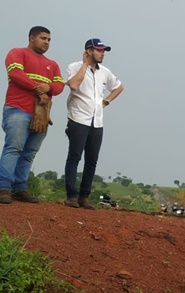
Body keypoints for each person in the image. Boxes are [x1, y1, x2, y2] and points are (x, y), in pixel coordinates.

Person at [0, 26, 65, 204]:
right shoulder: (17, 53)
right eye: (43, 38)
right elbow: (15, 73)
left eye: (49, 39)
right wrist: (38, 89)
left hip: (41, 114)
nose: (46, 42)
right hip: (18, 108)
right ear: (31, 38)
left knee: (29, 152)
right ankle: (4, 188)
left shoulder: (53, 64)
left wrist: (48, 88)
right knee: (14, 148)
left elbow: (59, 86)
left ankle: (20, 188)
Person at [63, 38, 124, 209]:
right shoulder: (74, 67)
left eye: (104, 51)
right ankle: (71, 196)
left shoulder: (105, 72)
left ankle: (84, 197)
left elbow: (119, 87)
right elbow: (73, 85)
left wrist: (106, 101)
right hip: (78, 119)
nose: (102, 53)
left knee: (92, 161)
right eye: (99, 50)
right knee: (74, 157)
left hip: (97, 121)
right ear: (89, 51)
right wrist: (84, 65)